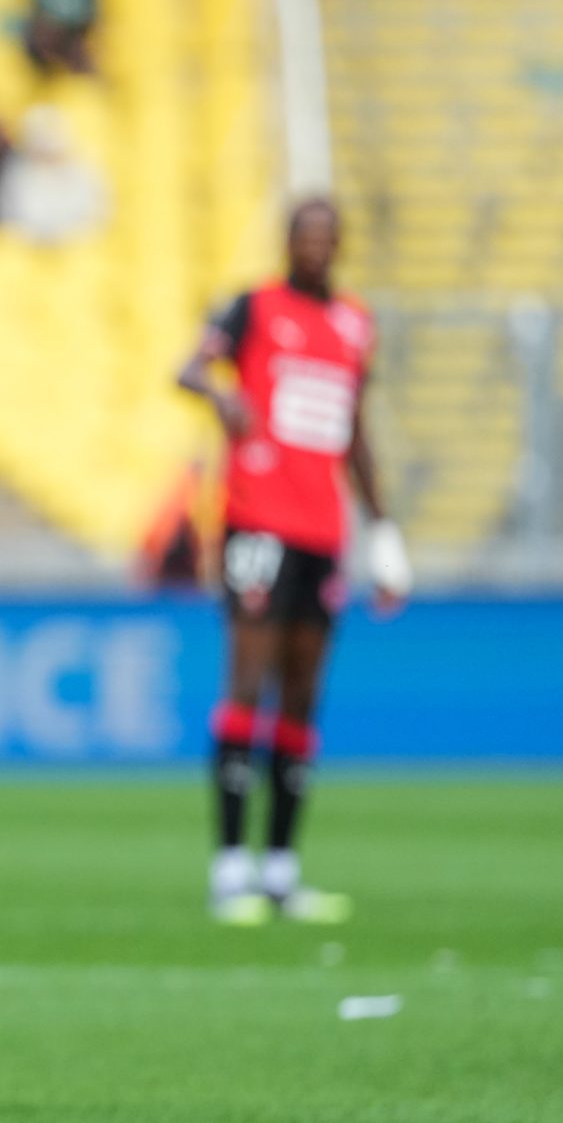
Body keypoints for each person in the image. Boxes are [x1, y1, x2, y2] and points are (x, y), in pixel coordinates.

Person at [177, 198, 407, 924]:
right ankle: (228, 870)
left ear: (338, 244)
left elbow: (354, 432)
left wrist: (385, 531)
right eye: (304, 235)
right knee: (248, 681)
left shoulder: (353, 323)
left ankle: (280, 869)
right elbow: (187, 368)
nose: (315, 246)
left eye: (326, 236)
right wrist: (221, 395)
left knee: (303, 697)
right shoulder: (252, 307)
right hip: (257, 523)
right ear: (288, 241)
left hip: (321, 531)